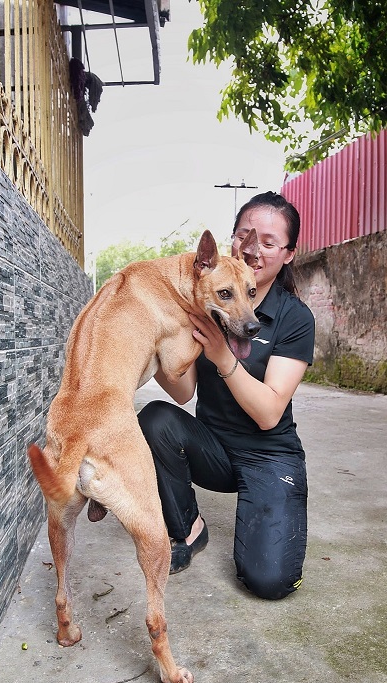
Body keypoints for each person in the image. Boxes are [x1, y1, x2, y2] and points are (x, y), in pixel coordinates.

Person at [138, 191, 315, 600]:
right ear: (235, 240)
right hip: (213, 448)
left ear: (288, 254)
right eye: (245, 236)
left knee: (269, 582)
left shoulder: (295, 318)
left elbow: (270, 412)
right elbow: (182, 393)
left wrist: (221, 355)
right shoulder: (210, 298)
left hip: (269, 455)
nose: (254, 250)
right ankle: (188, 529)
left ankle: (272, 508)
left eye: (269, 243)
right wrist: (154, 345)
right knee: (156, 418)